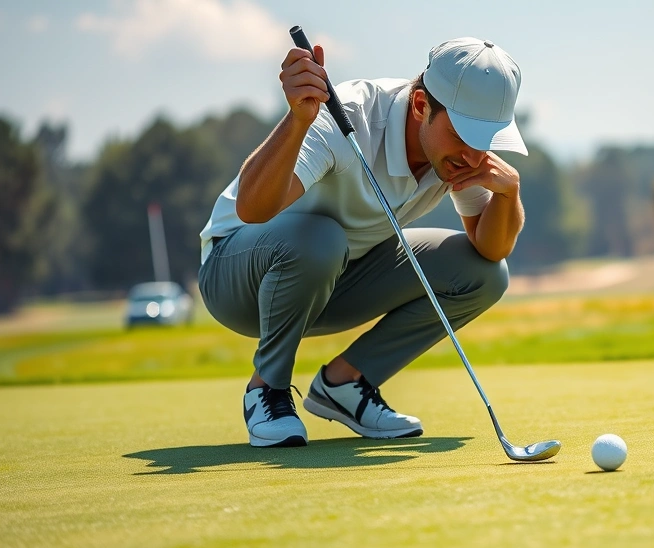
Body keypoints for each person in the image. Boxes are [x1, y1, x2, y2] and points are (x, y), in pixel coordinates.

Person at [197, 37, 528, 448]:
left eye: (488, 140)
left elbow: (490, 250)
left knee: (484, 274)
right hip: (237, 276)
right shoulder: (346, 116)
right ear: (422, 105)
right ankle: (267, 390)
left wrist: (507, 194)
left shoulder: (460, 156)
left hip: (332, 278)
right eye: (464, 135)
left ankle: (345, 384)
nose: (476, 158)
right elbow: (252, 209)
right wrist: (298, 120)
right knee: (321, 238)